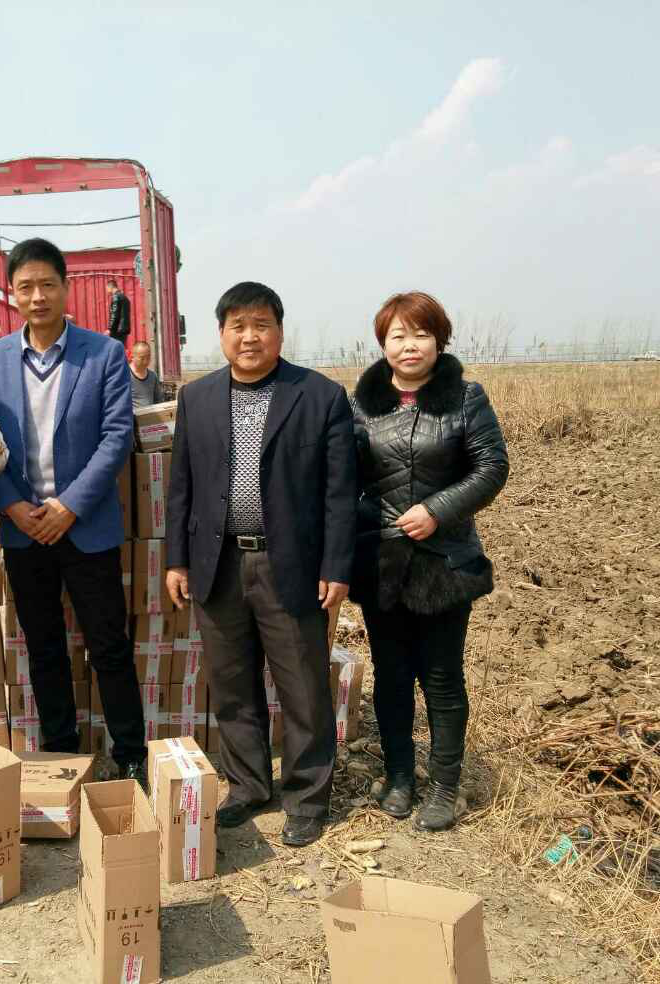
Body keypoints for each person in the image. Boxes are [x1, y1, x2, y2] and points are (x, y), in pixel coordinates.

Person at [165, 282, 357, 847]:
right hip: (217, 562)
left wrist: (336, 566)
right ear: (221, 333)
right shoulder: (197, 398)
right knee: (231, 684)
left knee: (302, 686)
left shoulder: (319, 396)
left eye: (261, 325)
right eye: (238, 326)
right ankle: (248, 785)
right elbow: (181, 488)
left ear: (279, 330)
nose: (249, 337)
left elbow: (340, 494)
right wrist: (177, 561)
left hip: (289, 564)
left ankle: (306, 798)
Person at [0, 238, 148, 785]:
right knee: (44, 646)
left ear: (66, 288)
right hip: (24, 530)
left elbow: (116, 437)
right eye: (25, 287)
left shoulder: (103, 354)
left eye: (47, 284)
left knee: (108, 646)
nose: (38, 296)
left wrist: (69, 506)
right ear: (12, 293)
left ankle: (131, 753)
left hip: (86, 526)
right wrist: (12, 505)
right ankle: (59, 753)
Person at [350, 292, 509, 832]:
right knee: (392, 674)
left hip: (445, 560)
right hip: (383, 558)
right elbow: (348, 475)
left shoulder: (466, 398)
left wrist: (437, 511)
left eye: (421, 334)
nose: (409, 345)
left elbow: (491, 468)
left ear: (439, 340)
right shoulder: (362, 404)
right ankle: (399, 776)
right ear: (383, 344)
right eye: (398, 335)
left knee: (441, 676)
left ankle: (444, 786)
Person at [128, 340, 165, 410]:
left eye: (148, 357)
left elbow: (158, 400)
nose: (145, 361)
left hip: (150, 416)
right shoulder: (124, 375)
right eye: (142, 358)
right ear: (132, 357)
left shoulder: (153, 376)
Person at [106, 278, 131, 346]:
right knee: (121, 347)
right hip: (124, 329)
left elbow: (114, 315)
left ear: (110, 287)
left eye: (107, 288)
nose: (107, 290)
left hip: (117, 330)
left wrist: (110, 329)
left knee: (115, 348)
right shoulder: (124, 297)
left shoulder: (116, 297)